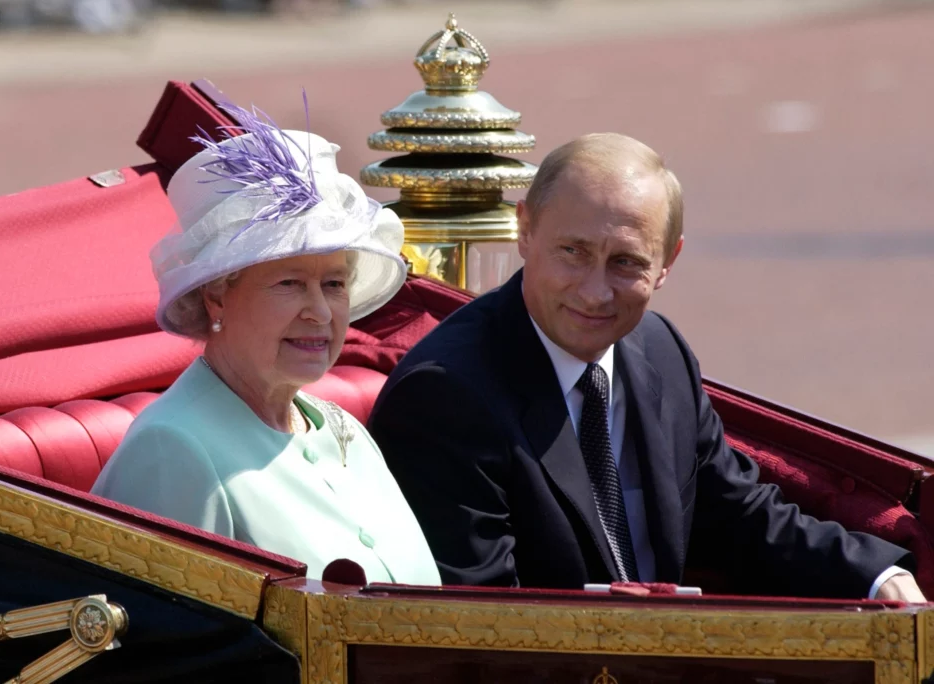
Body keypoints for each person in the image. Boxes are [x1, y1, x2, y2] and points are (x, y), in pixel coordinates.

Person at [367, 133, 925, 600]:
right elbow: (482, 620)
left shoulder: (658, 348)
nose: (595, 292)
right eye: (573, 252)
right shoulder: (446, 397)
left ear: (667, 263)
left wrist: (879, 577)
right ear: (525, 229)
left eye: (626, 263)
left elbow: (737, 516)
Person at [91, 103, 440, 585]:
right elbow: (174, 652)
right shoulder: (171, 451)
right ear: (216, 297)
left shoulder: (344, 432)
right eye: (290, 283)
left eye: (335, 284)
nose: (319, 311)